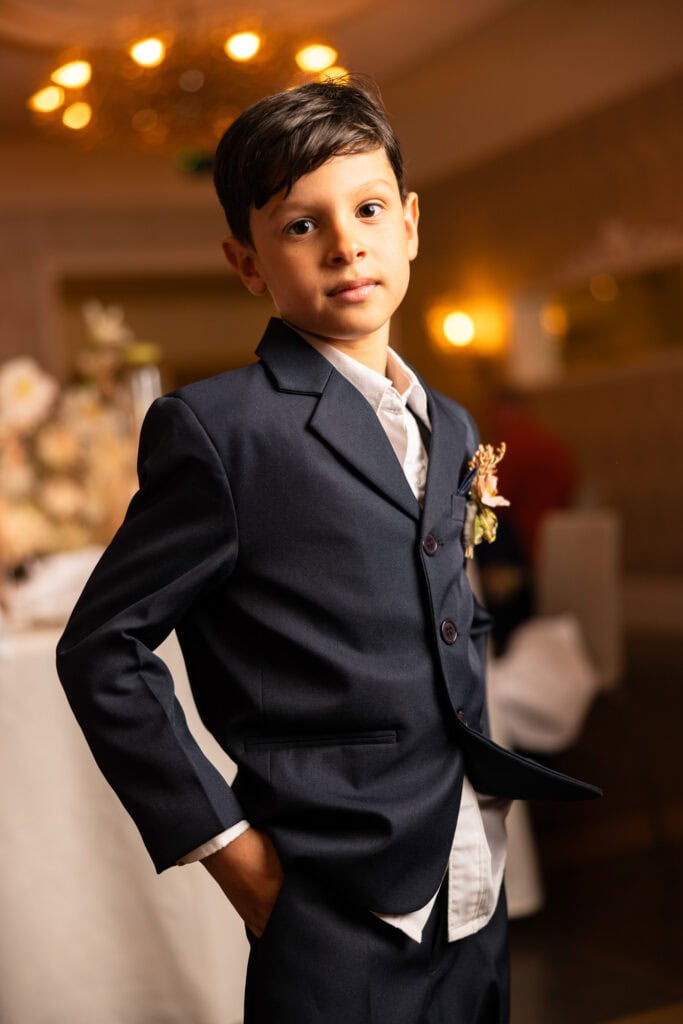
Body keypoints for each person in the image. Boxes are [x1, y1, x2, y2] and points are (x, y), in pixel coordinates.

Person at [56, 78, 599, 1023]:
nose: (345, 242)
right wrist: (227, 845)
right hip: (331, 888)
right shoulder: (219, 428)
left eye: (368, 209)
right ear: (246, 261)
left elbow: (446, 610)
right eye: (300, 225)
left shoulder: (456, 425)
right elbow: (101, 648)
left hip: (473, 870)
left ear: (411, 225)